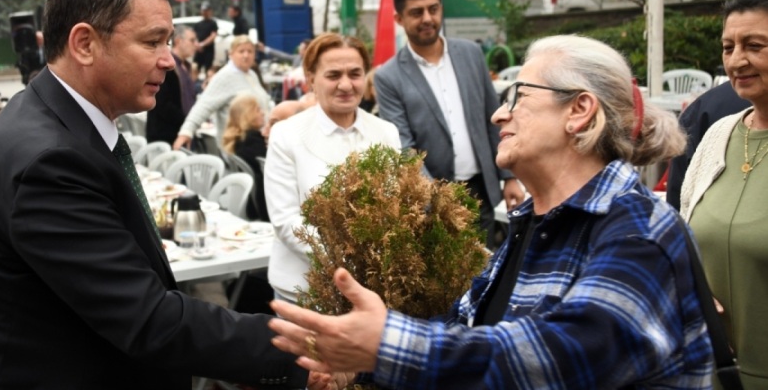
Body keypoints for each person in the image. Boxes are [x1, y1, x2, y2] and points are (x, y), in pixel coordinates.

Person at [0, 0, 317, 389]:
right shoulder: (50, 160)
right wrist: (302, 352)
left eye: (168, 41)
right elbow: (147, 319)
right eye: (151, 42)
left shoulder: (53, 124)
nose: (168, 59)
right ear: (85, 44)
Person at [269, 34, 713, 388]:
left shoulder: (638, 229)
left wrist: (385, 346)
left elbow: (557, 358)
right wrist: (360, 358)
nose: (499, 114)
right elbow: (467, 323)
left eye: (517, 96)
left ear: (579, 110)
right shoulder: (534, 224)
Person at [373, 0, 523, 250]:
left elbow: (494, 117)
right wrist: (436, 200)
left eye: (433, 9)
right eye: (416, 13)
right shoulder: (388, 77)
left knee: (484, 277)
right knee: (444, 288)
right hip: (432, 199)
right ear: (399, 19)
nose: (427, 18)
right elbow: (403, 145)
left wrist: (509, 176)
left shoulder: (470, 53)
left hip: (481, 192)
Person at [265, 33, 402, 303]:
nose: (345, 84)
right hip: (304, 291)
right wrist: (351, 261)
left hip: (372, 290)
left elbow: (394, 207)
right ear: (310, 79)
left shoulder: (386, 132)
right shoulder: (286, 134)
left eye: (355, 74)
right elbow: (286, 220)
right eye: (333, 75)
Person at [680, 0, 768, 388]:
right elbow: (682, 236)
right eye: (728, 47)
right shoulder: (718, 135)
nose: (737, 60)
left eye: (755, 46)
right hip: (710, 372)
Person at [173, 35, 272, 150]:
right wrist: (186, 131)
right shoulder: (225, 76)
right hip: (237, 145)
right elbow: (204, 105)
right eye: (241, 51)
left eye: (250, 51)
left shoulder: (252, 74)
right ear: (231, 54)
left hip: (255, 141)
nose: (246, 55)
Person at [666, 80, 749, 209]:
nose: (737, 62)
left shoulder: (705, 106)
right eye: (729, 57)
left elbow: (676, 200)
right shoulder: (708, 112)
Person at [145, 25, 197, 144]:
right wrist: (187, 120)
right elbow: (163, 105)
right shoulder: (167, 66)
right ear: (178, 41)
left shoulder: (186, 67)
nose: (196, 44)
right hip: (165, 137)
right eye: (192, 40)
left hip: (181, 132)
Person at [223, 93, 268, 220]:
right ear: (248, 115)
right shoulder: (253, 141)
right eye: (258, 110)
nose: (263, 113)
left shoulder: (239, 140)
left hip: (250, 201)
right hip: (263, 206)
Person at [193, 1, 219, 73]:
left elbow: (213, 36)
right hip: (199, 51)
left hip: (208, 51)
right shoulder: (198, 24)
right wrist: (197, 45)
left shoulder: (213, 23)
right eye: (203, 10)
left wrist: (202, 44)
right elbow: (194, 36)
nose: (205, 12)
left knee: (208, 70)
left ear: (210, 11)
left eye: (206, 10)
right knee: (195, 68)